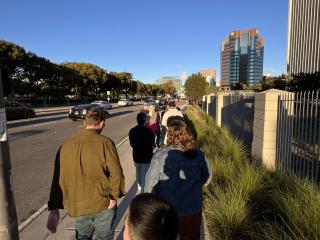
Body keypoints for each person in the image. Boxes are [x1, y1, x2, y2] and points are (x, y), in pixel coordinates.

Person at [47, 108, 125, 240]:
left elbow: (57, 179)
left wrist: (54, 208)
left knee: (82, 237)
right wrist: (114, 196)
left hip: (78, 206)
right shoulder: (105, 143)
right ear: (102, 123)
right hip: (103, 203)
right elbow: (116, 173)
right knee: (104, 237)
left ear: (85, 123)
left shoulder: (65, 146)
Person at [144, 120, 212, 240]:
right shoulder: (199, 154)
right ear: (188, 134)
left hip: (169, 211)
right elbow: (207, 178)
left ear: (169, 135)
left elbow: (148, 188)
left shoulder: (160, 156)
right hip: (193, 208)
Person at [129, 112, 155, 191]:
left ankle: (139, 185)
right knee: (145, 173)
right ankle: (144, 188)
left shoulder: (132, 131)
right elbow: (152, 143)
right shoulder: (149, 131)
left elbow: (132, 144)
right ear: (144, 121)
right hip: (147, 156)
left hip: (136, 155)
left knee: (138, 171)